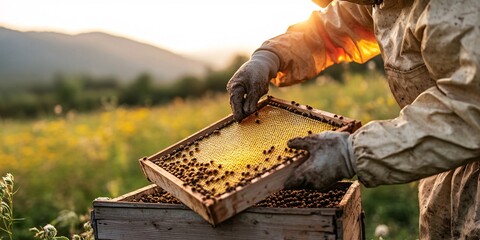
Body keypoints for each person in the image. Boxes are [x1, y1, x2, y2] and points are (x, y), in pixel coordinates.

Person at [226, 0, 480, 239]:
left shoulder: (455, 9)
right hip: (445, 165)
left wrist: (353, 153)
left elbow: (471, 111)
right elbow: (335, 28)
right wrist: (272, 55)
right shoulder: (382, 3)